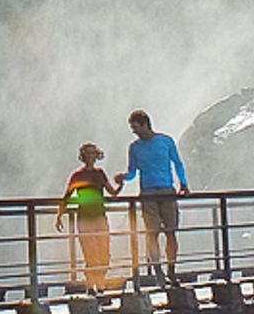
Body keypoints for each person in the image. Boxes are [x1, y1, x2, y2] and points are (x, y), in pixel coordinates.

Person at [124, 109, 190, 279]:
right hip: (148, 193)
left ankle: (171, 269)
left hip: (166, 190)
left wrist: (183, 183)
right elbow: (132, 172)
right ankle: (158, 269)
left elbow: (177, 163)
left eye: (136, 127)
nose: (135, 132)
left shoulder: (165, 141)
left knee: (170, 232)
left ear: (146, 124)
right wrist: (122, 178)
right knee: (152, 233)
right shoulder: (134, 147)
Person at [60, 144, 117, 291]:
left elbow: (112, 192)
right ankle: (93, 287)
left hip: (99, 216)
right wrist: (60, 214)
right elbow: (67, 196)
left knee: (104, 253)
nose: (90, 157)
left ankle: (100, 284)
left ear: (97, 155)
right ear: (83, 156)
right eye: (88, 154)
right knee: (90, 254)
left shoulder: (100, 173)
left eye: (93, 153)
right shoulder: (77, 175)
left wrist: (121, 183)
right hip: (84, 218)